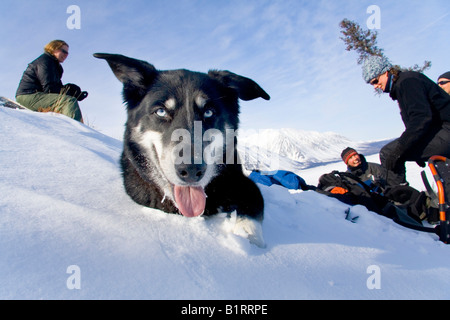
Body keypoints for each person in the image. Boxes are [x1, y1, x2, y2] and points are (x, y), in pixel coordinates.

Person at [362, 55, 450, 186]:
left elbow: (421, 119)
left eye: (375, 81)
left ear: (385, 72)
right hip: (440, 132)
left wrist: (401, 150)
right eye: (372, 84)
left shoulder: (408, 82)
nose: (375, 86)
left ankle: (402, 200)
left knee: (389, 153)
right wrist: (413, 147)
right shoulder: (402, 85)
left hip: (446, 131)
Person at [340, 147, 439, 223]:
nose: (355, 158)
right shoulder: (349, 178)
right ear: (347, 162)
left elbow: (388, 179)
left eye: (355, 155)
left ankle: (431, 213)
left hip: (389, 196)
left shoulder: (372, 167)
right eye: (351, 157)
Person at [15, 40, 87, 122]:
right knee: (68, 101)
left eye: (67, 53)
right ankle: (75, 131)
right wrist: (69, 93)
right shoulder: (45, 61)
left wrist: (72, 91)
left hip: (38, 95)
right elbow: (49, 88)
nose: (66, 55)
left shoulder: (55, 65)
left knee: (68, 100)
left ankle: (67, 127)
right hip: (28, 95)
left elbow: (55, 87)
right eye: (63, 51)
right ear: (53, 48)